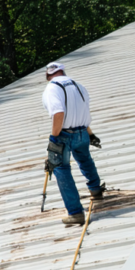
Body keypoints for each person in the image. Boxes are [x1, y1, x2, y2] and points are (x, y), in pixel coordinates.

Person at [42, 61, 104, 226]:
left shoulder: (52, 88)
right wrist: (90, 134)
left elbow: (58, 113)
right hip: (83, 131)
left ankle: (75, 213)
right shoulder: (79, 86)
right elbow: (83, 110)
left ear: (48, 76)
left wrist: (54, 139)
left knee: (61, 169)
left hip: (64, 135)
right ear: (63, 71)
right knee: (85, 159)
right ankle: (96, 190)